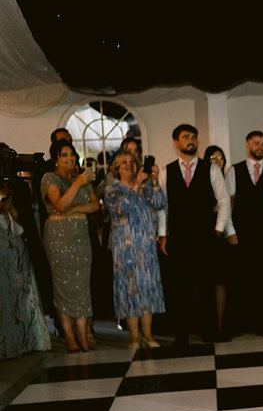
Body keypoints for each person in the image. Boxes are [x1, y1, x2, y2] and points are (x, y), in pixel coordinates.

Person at [155, 124, 231, 345]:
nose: (191, 141)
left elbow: (224, 201)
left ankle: (208, 331)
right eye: (186, 137)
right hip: (178, 236)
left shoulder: (211, 169)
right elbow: (163, 207)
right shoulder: (166, 171)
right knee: (180, 288)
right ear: (176, 142)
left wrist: (219, 228)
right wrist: (163, 235)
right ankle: (182, 334)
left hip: (205, 236)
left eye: (194, 137)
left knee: (206, 286)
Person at [40, 140, 99, 352]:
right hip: (58, 239)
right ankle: (69, 337)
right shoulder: (50, 179)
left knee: (82, 286)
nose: (69, 158)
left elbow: (94, 206)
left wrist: (73, 208)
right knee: (63, 285)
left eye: (71, 154)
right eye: (64, 155)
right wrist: (76, 185)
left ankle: (83, 335)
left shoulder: (82, 180)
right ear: (56, 159)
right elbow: (59, 205)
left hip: (82, 239)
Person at [104, 151, 166, 349]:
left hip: (146, 247)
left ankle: (147, 335)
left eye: (132, 161)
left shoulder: (146, 187)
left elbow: (160, 203)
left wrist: (154, 182)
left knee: (148, 288)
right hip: (125, 250)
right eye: (124, 162)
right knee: (129, 290)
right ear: (116, 167)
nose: (129, 165)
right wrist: (136, 185)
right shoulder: (112, 190)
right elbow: (121, 209)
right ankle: (133, 337)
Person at [225, 131, 263, 335]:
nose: (260, 147)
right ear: (247, 145)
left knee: (262, 280)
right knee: (240, 279)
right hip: (241, 232)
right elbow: (227, 204)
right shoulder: (234, 171)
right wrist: (230, 231)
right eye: (256, 143)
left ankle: (259, 323)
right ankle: (239, 323)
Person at [0, 183, 52, 360]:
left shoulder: (11, 188)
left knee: (22, 292)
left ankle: (30, 339)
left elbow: (21, 220)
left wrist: (9, 204)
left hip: (15, 247)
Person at [202, 144, 235, 340]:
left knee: (222, 282)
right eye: (212, 157)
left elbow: (227, 207)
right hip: (207, 233)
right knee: (207, 282)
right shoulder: (204, 177)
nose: (217, 160)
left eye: (220, 157)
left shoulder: (227, 177)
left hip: (222, 236)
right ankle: (209, 325)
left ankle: (222, 325)